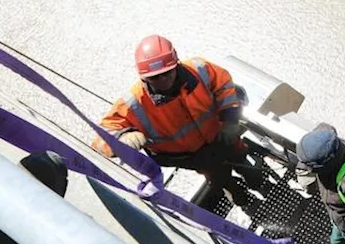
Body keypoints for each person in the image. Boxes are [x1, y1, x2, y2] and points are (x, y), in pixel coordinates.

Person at [93, 35, 248, 209]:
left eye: (166, 73)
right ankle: (244, 201)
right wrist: (121, 139)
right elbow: (100, 138)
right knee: (221, 178)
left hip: (223, 136)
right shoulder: (135, 102)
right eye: (155, 78)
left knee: (242, 159)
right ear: (144, 78)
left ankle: (257, 180)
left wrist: (230, 120)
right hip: (195, 157)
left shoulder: (199, 69)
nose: (163, 81)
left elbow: (223, 84)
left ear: (176, 64)